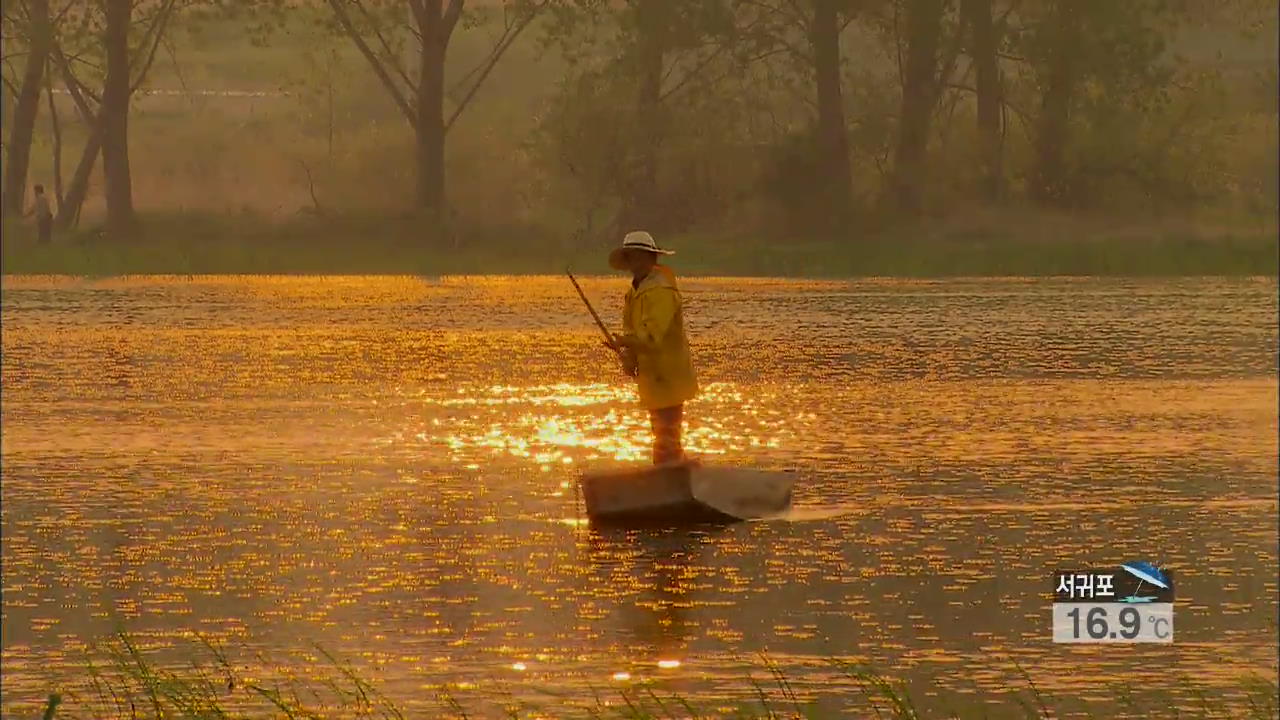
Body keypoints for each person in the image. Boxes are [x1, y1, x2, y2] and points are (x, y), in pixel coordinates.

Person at [608, 230, 699, 466]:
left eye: (639, 257)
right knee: (662, 435)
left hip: (669, 376)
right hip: (652, 378)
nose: (634, 263)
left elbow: (652, 336)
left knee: (666, 438)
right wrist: (629, 357)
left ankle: (675, 482)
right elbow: (632, 331)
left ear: (651, 259)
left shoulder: (661, 291)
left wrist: (625, 342)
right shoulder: (633, 293)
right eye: (630, 257)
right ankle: (677, 480)